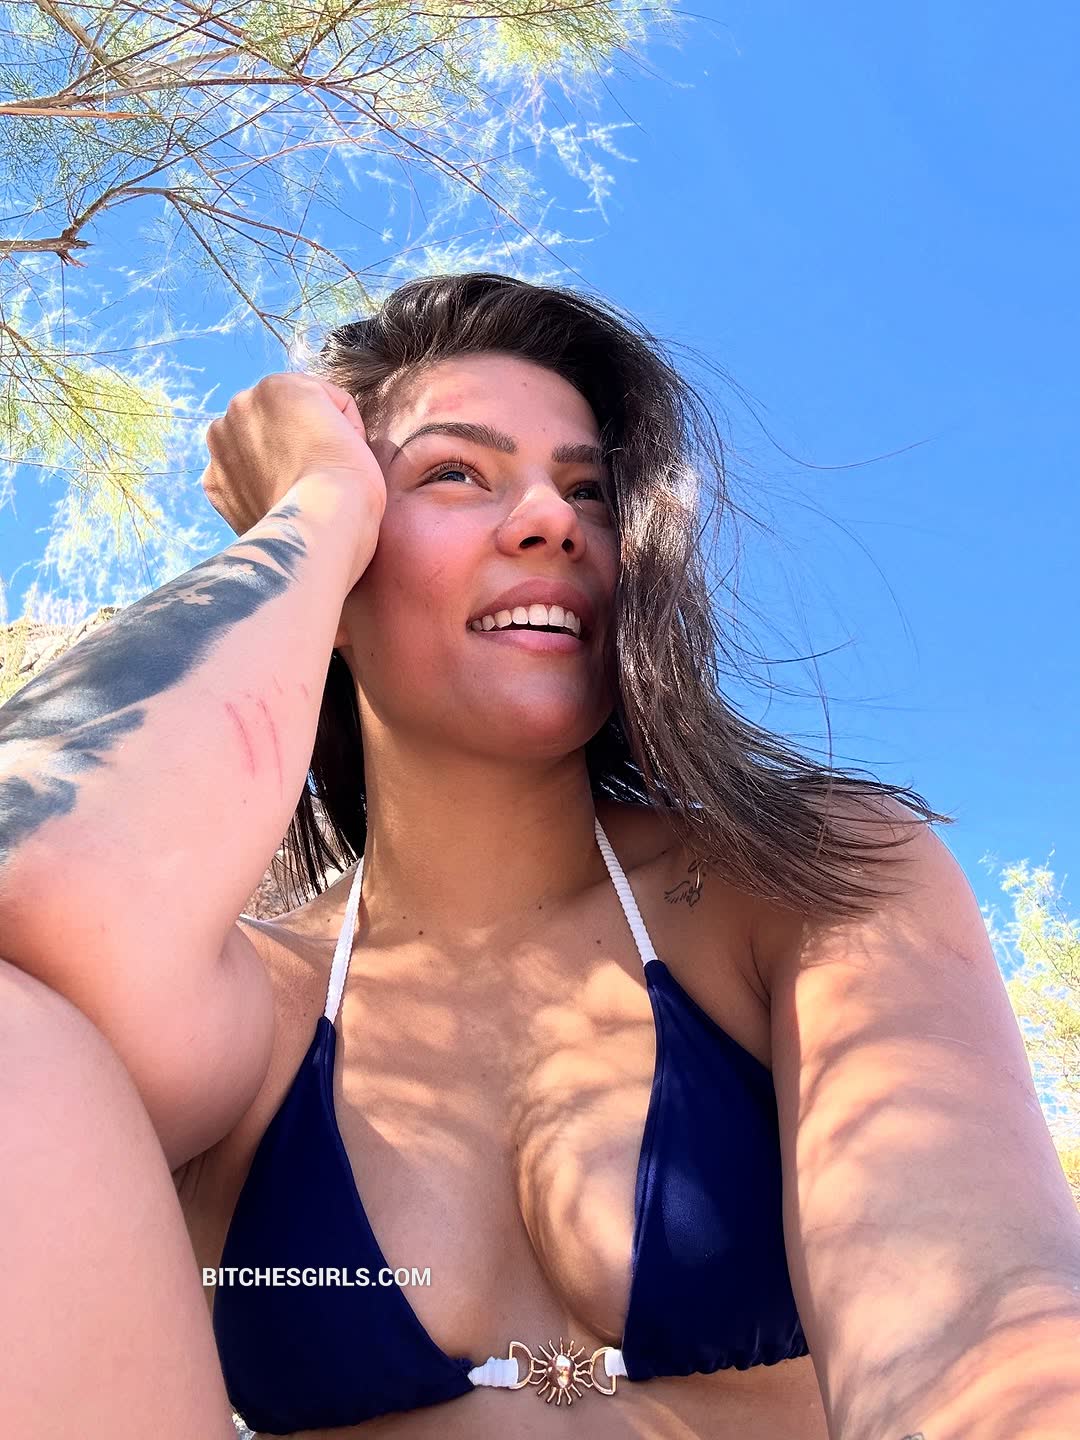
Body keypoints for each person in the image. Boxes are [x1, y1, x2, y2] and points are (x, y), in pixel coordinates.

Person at [1, 272, 959, 1438]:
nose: (552, 520)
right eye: (456, 473)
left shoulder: (797, 885)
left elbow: (985, 1318)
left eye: (590, 490)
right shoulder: (253, 1020)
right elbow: (42, 877)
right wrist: (312, 511)